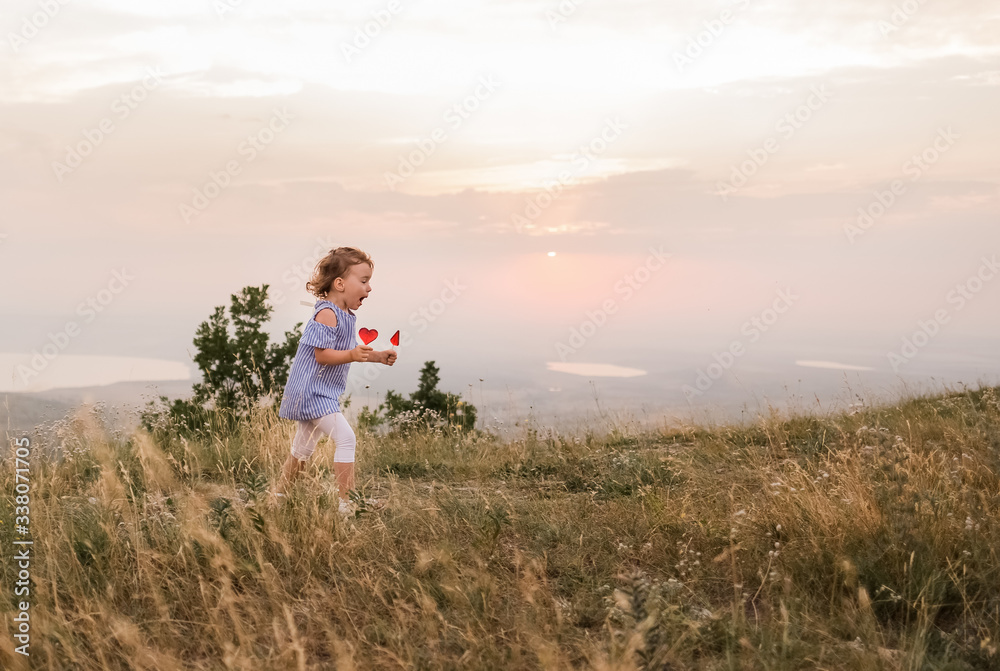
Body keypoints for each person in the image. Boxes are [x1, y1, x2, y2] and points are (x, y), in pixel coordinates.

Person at [273, 246, 397, 516]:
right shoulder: (326, 314)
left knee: (302, 448)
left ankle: (278, 498)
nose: (369, 288)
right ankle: (347, 504)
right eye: (364, 281)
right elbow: (323, 356)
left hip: (317, 391)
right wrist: (352, 354)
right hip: (312, 392)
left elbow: (349, 351)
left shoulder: (346, 316)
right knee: (346, 438)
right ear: (340, 284)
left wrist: (377, 357)